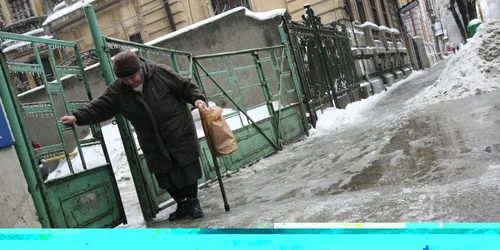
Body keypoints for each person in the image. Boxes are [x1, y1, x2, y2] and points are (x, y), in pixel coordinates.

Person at [60, 51, 207, 221]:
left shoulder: (160, 72)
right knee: (163, 172)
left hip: (177, 129)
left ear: (140, 68)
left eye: (133, 76)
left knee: (187, 165)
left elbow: (185, 86)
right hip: (150, 138)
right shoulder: (119, 90)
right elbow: (100, 106)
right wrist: (77, 117)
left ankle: (193, 202)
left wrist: (197, 98)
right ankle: (181, 204)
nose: (130, 81)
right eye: (125, 79)